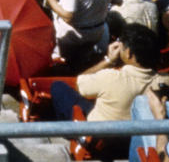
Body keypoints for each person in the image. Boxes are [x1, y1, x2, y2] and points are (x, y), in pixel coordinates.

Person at [50, 24, 160, 158]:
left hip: (98, 141)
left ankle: (69, 133)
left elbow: (79, 82)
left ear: (129, 53)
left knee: (58, 87)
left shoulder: (111, 77)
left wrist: (108, 60)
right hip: (131, 143)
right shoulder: (164, 81)